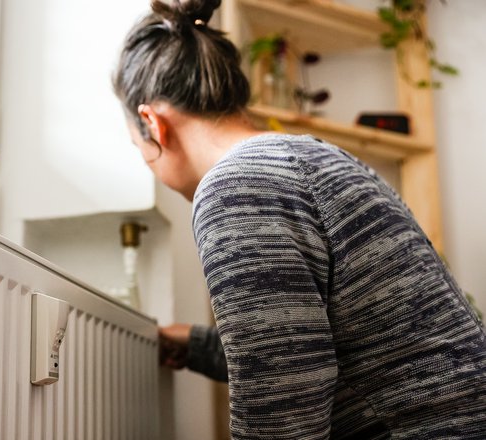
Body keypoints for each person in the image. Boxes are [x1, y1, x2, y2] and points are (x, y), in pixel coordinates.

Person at [112, 0, 486, 438]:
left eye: (139, 151)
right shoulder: (313, 158)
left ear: (152, 123)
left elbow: (281, 417)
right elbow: (309, 350)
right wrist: (194, 344)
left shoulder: (237, 186)